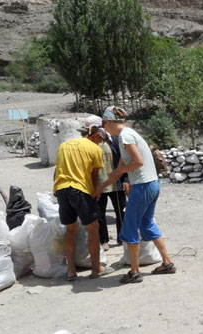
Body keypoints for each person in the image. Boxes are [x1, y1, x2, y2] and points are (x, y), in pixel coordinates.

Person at [93, 106, 174, 284]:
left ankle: (134, 272)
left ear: (109, 122)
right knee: (146, 223)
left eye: (104, 125)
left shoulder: (125, 136)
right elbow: (118, 170)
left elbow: (138, 161)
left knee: (129, 228)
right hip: (152, 185)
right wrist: (100, 188)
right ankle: (167, 263)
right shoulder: (129, 135)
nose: (104, 129)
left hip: (142, 186)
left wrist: (121, 171)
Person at [53, 117, 114, 281]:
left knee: (70, 230)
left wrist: (56, 189)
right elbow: (95, 176)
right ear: (96, 135)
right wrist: (95, 193)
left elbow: (57, 170)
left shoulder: (64, 146)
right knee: (93, 230)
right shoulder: (94, 149)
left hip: (62, 190)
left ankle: (71, 272)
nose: (101, 143)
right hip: (80, 191)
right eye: (101, 140)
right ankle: (96, 269)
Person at [90, 115, 129, 251]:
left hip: (116, 183)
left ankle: (122, 237)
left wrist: (125, 179)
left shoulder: (115, 140)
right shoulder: (89, 143)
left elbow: (124, 161)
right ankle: (104, 240)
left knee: (121, 211)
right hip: (98, 185)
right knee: (99, 214)